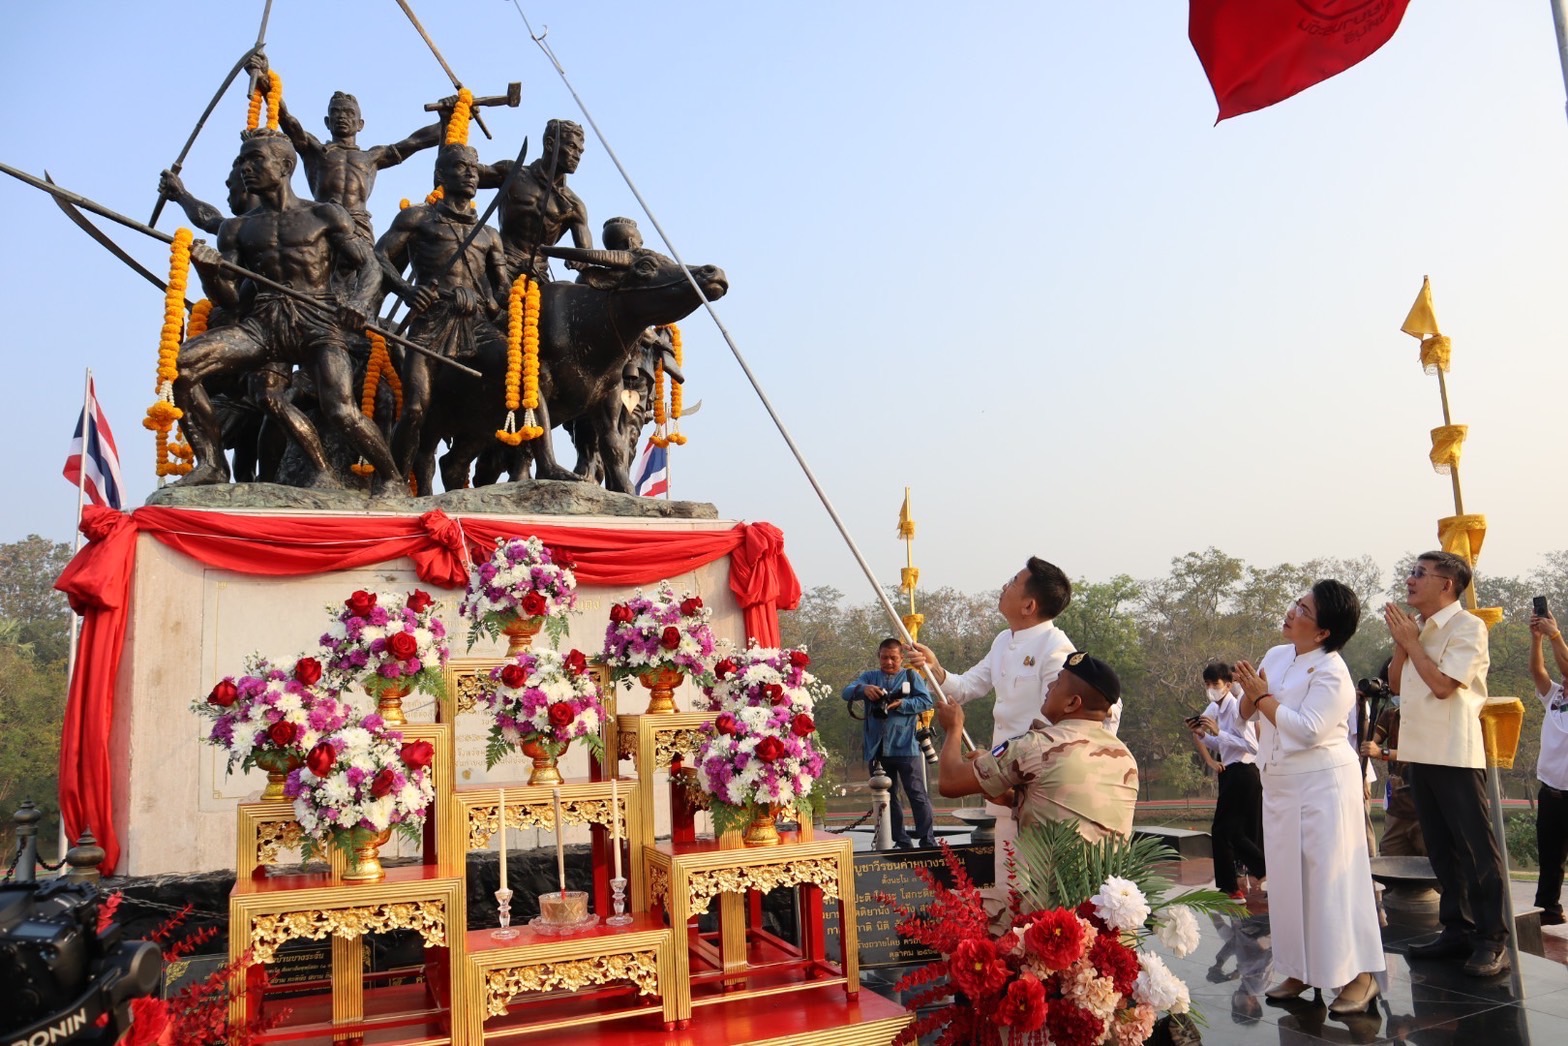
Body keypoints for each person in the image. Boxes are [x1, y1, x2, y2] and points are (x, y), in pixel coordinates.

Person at [175, 130, 398, 487]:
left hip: (317, 321)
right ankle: (213, 463)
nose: (246, 168)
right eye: (242, 162)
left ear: (285, 166)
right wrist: (208, 272)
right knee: (184, 366)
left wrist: (359, 302)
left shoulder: (325, 215)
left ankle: (391, 480)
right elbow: (230, 299)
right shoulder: (235, 228)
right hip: (262, 325)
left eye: (255, 160)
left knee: (341, 410)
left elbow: (368, 266)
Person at [1234, 579, 1385, 1015]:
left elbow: (1305, 729)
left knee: (1331, 882)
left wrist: (1261, 697)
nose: (1291, 611)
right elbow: (1249, 714)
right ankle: (1299, 968)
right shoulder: (1277, 656)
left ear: (1322, 632)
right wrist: (1250, 698)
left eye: (1303, 609)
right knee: (1287, 883)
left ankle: (1360, 975)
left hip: (1322, 786)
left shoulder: (1333, 672)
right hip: (1280, 783)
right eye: (1297, 603)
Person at [907, 557, 1075, 892]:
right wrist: (935, 669)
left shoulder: (1056, 649)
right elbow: (968, 687)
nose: (1004, 585)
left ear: (1029, 604)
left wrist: (1017, 765)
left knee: (1038, 891)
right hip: (1002, 786)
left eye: (1013, 581)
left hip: (1034, 791)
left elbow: (1065, 724)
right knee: (1009, 888)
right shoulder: (1003, 640)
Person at [1386, 551, 1508, 976]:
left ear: (1447, 585)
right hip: (1418, 753)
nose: (1410, 580)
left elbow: (1441, 687)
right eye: (1411, 572)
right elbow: (1397, 684)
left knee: (1475, 849)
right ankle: (1456, 930)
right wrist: (1405, 644)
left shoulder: (1468, 627)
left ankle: (1492, 939)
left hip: (1454, 753)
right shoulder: (1417, 629)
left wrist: (1412, 644)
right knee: (1441, 849)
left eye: (1420, 573)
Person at [375, 143, 511, 484]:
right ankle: (394, 480)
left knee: (517, 371)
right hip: (431, 323)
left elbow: (503, 289)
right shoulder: (418, 218)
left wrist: (494, 302)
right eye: (461, 167)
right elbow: (376, 257)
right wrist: (407, 290)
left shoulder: (489, 235)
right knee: (416, 408)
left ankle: (525, 460)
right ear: (441, 175)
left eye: (474, 169)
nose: (470, 174)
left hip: (477, 325)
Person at [933, 650, 1138, 845]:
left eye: (1057, 683)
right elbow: (1069, 813)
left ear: (1072, 703)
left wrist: (954, 728)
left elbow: (950, 782)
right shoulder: (1125, 756)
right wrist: (1010, 800)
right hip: (1113, 880)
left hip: (1056, 881)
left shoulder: (1036, 747)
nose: (1049, 687)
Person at [250, 54, 444, 238]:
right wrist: (266, 82)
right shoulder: (316, 150)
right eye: (336, 112)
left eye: (349, 113)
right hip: (321, 223)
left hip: (358, 224)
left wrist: (448, 120)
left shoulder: (373, 157)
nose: (342, 116)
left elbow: (416, 142)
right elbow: (289, 122)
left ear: (360, 124)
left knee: (376, 267)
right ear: (327, 121)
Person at [842, 638, 937, 850]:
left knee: (917, 794)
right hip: (877, 748)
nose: (889, 662)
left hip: (906, 747)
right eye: (885, 657)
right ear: (879, 657)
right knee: (889, 797)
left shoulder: (910, 676)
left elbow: (926, 702)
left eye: (893, 658)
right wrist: (863, 689)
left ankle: (928, 841)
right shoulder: (870, 677)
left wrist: (903, 704)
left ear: (901, 658)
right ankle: (901, 841)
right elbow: (845, 693)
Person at [479, 118, 593, 279]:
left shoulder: (573, 205)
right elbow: (458, 172)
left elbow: (587, 256)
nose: (577, 156)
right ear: (550, 144)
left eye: (580, 151)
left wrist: (580, 260)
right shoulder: (512, 173)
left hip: (537, 275)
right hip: (497, 265)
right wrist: (450, 119)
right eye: (572, 147)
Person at [1191, 661, 1265, 900]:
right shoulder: (1218, 710)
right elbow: (1222, 744)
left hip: (1243, 772)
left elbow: (1252, 746)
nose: (1211, 688)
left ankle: (1249, 877)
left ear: (1228, 685)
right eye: (1207, 684)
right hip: (1232, 772)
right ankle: (1240, 882)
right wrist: (1205, 735)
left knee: (1225, 830)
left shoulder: (1235, 709)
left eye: (1215, 684)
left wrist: (1218, 733)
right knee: (1228, 831)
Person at [1528, 607, 1568, 926]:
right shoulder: (1555, 696)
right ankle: (1548, 909)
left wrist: (1555, 634)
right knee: (1550, 857)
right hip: (1551, 792)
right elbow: (1537, 671)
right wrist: (1537, 639)